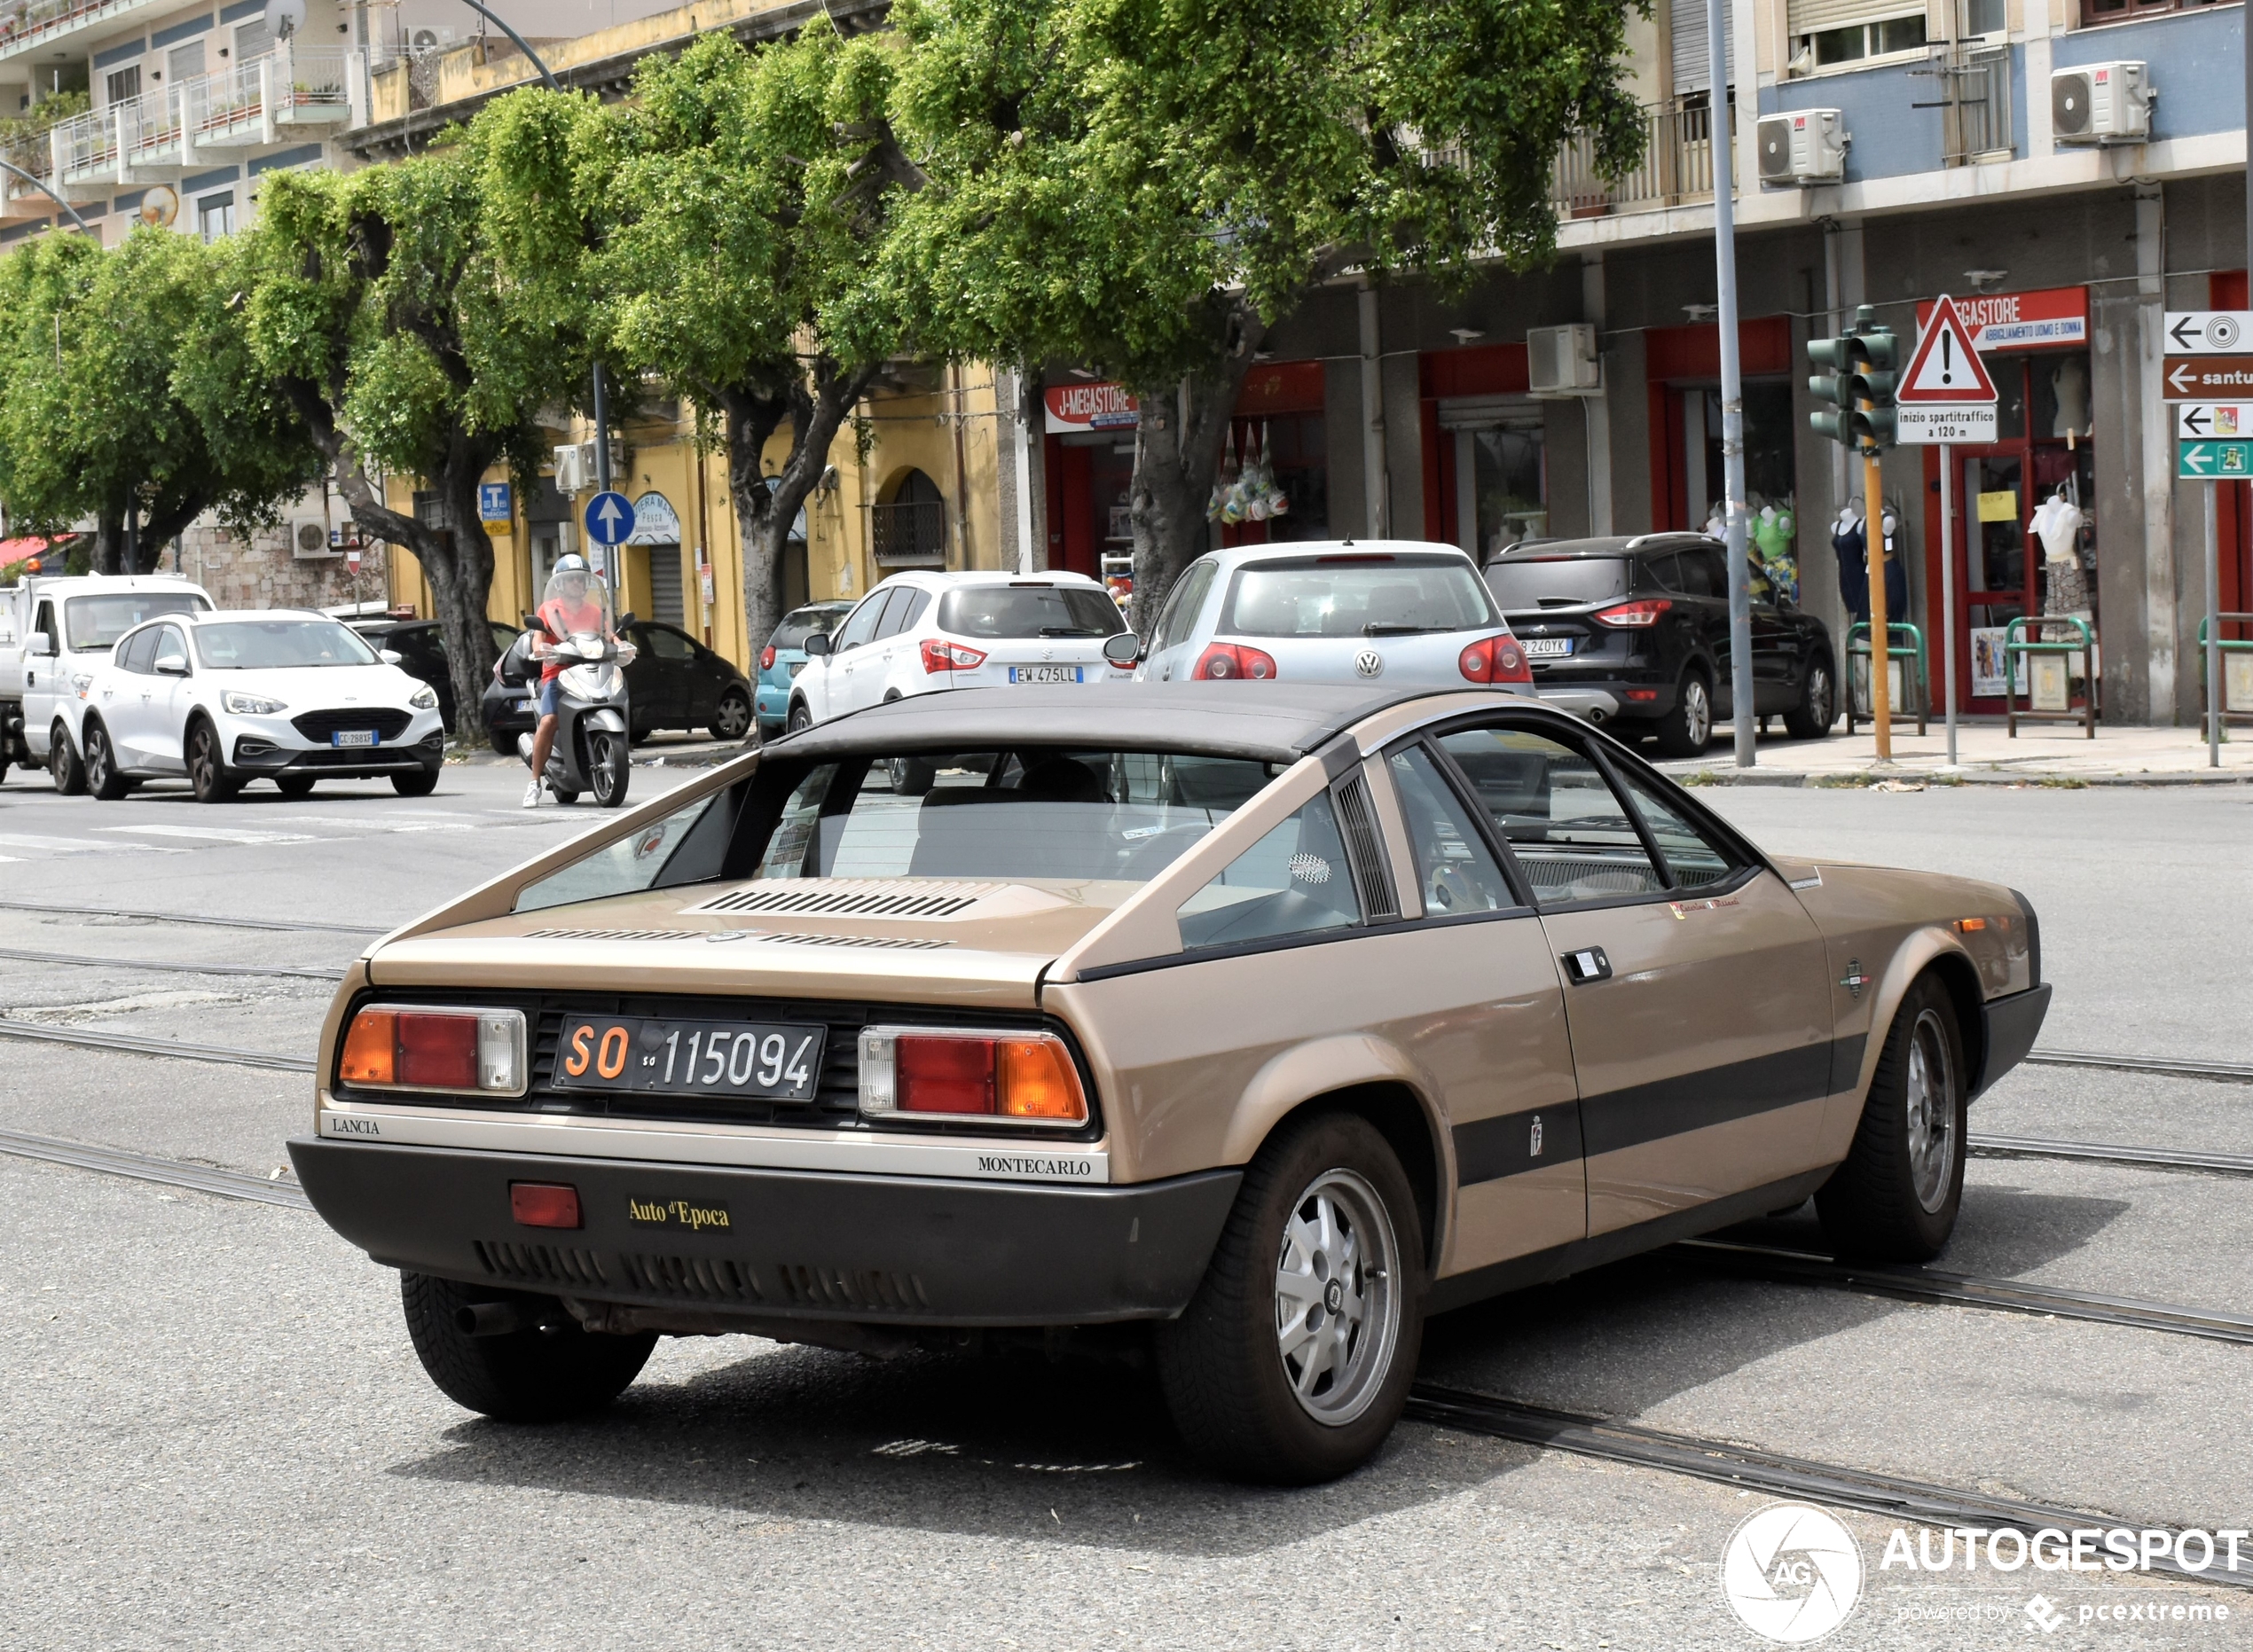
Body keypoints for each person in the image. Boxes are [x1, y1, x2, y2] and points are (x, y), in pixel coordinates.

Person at [524, 555, 615, 808]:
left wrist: (623, 646)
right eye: (571, 579)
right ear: (560, 584)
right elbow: (538, 636)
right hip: (558, 673)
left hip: (589, 670)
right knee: (549, 720)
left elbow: (609, 634)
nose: (577, 582)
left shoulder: (594, 611)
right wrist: (540, 648)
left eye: (582, 578)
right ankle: (534, 783)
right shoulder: (549, 609)